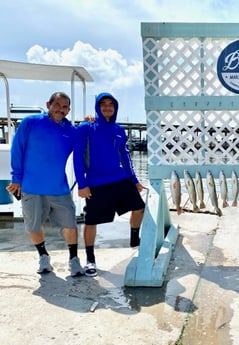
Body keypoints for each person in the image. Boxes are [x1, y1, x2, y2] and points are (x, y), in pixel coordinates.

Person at [6, 91, 84, 276]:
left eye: (65, 107)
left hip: (59, 188)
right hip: (31, 187)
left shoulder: (72, 132)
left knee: (70, 225)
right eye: (56, 105)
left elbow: (84, 154)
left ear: (69, 110)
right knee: (33, 225)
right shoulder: (30, 123)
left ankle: (73, 260)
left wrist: (89, 123)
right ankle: (43, 257)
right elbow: (17, 150)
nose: (60, 110)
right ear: (48, 104)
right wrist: (16, 178)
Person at [73, 92, 146, 277]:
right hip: (96, 183)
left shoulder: (119, 130)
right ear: (98, 107)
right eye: (103, 104)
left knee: (139, 207)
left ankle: (134, 239)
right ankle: (90, 259)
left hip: (119, 179)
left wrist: (134, 180)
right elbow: (78, 158)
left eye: (110, 104)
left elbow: (126, 156)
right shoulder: (86, 127)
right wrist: (82, 184)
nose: (107, 107)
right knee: (91, 221)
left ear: (115, 108)